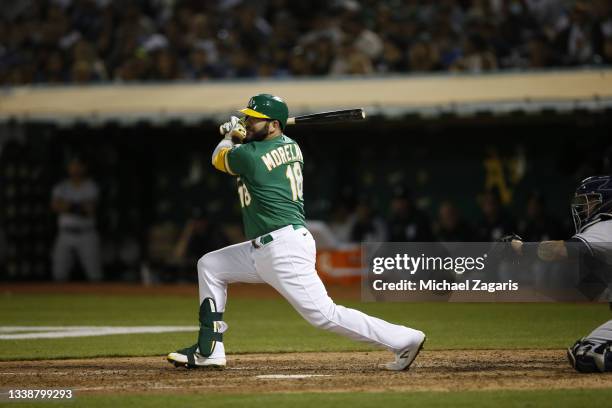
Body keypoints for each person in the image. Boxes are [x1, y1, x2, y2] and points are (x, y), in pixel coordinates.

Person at [167, 94, 426, 370]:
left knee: (325, 315)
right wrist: (244, 132)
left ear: (275, 125)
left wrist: (230, 135)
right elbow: (254, 148)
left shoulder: (252, 156)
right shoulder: (291, 145)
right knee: (211, 265)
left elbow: (219, 158)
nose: (248, 122)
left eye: (255, 119)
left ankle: (404, 338)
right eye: (248, 117)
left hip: (283, 248)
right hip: (266, 246)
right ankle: (211, 349)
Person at [509, 176, 612, 373]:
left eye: (591, 201)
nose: (585, 207)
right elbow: (582, 294)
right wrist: (532, 292)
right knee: (584, 351)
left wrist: (520, 248)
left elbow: (559, 250)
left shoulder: (606, 224)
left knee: (591, 354)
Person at [50, 157, 102, 281]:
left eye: (78, 165)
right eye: (72, 165)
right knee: (59, 273)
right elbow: (55, 206)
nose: (75, 168)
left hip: (86, 233)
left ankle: (98, 298)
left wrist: (67, 205)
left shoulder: (91, 186)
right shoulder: (61, 186)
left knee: (94, 273)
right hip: (65, 234)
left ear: (84, 168)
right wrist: (79, 206)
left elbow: (89, 209)